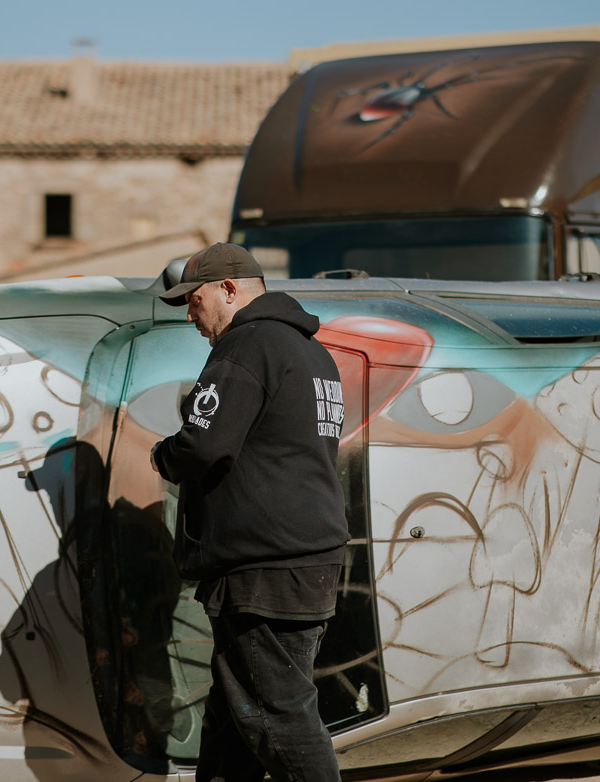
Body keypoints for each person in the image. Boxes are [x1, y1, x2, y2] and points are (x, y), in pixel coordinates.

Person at [150, 243, 349, 781]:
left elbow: (202, 446)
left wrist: (163, 453)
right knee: (234, 725)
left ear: (230, 289)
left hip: (265, 569)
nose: (191, 316)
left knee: (276, 717)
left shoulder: (247, 345)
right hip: (304, 560)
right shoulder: (312, 353)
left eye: (194, 301)